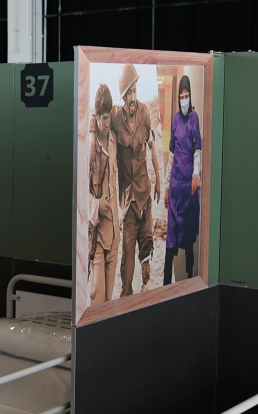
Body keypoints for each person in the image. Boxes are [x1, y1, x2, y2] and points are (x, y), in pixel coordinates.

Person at [112, 64, 162, 296]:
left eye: (135, 91)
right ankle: (126, 294)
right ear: (123, 96)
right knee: (127, 258)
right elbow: (97, 123)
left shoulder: (144, 114)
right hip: (129, 200)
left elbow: (152, 146)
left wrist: (159, 180)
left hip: (145, 192)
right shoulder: (115, 117)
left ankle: (146, 271)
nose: (132, 97)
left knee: (147, 251)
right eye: (128, 93)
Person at [163, 75, 202, 285]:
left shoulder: (194, 118)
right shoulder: (176, 118)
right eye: (181, 96)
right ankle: (165, 283)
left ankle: (189, 279)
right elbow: (171, 155)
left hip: (189, 186)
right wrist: (167, 187)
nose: (184, 99)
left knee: (188, 237)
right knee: (171, 236)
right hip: (176, 186)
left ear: (190, 96)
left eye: (187, 96)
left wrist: (196, 174)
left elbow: (197, 149)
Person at [88, 84, 119, 304]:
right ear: (97, 116)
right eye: (103, 118)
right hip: (96, 236)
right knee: (97, 298)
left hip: (114, 233)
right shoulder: (89, 147)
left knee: (108, 300)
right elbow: (81, 192)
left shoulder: (114, 140)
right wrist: (97, 205)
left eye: (109, 117)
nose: (107, 123)